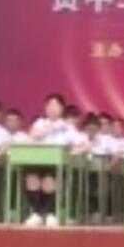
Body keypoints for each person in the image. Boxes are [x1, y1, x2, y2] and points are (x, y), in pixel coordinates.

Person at [23, 93, 77, 227]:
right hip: (37, 160)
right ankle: (37, 213)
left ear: (62, 108)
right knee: (31, 178)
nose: (52, 108)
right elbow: (33, 135)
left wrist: (71, 152)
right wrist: (51, 128)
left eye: (56, 105)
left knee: (49, 180)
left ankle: (49, 213)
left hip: (57, 163)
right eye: (49, 105)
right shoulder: (39, 123)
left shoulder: (68, 127)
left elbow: (82, 143)